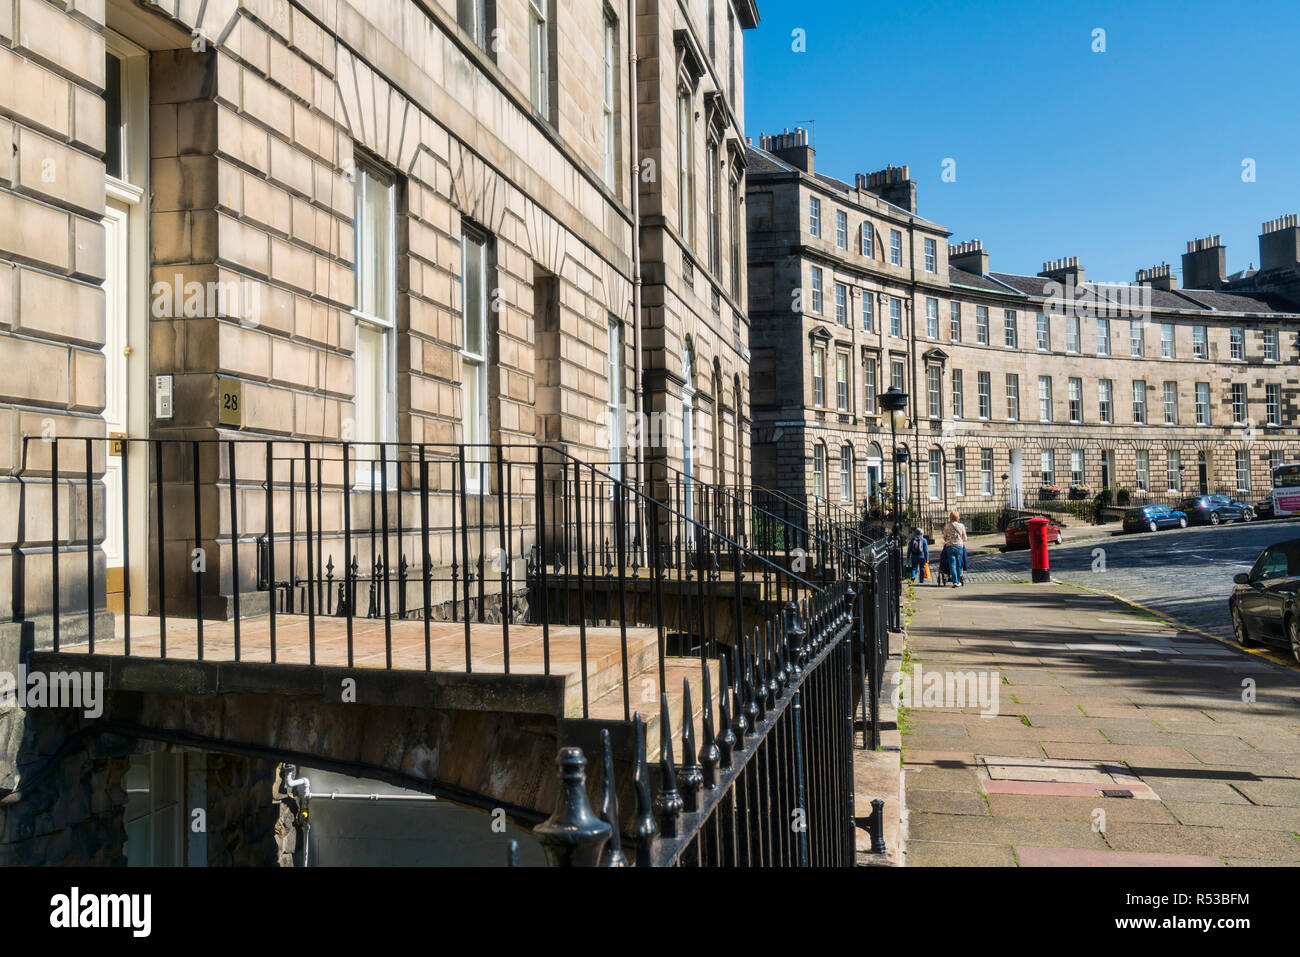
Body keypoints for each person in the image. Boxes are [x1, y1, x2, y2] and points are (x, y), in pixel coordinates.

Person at [941, 510, 968, 588]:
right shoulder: (961, 526)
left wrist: (948, 539)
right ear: (957, 517)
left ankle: (954, 581)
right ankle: (958, 581)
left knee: (952, 564)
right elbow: (964, 538)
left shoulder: (947, 526)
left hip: (950, 546)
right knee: (958, 564)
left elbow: (944, 537)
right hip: (959, 547)